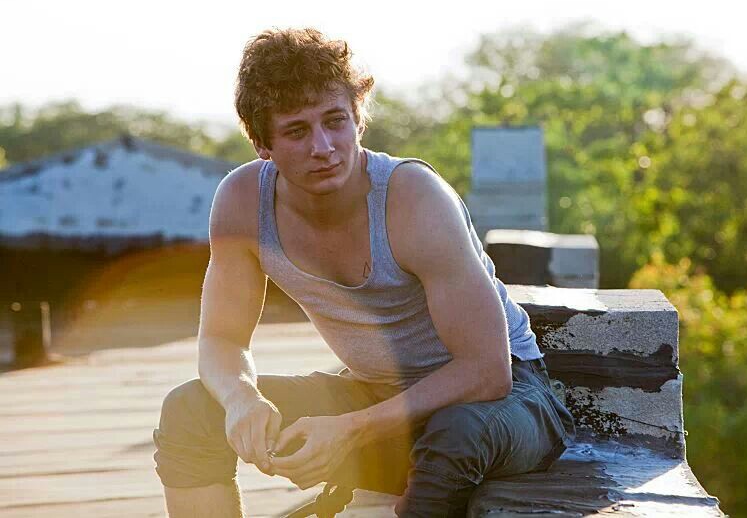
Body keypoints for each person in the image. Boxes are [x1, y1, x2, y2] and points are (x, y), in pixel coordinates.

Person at [153, 27, 575, 518]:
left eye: (335, 121)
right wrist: (242, 398)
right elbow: (221, 341)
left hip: (506, 406)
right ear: (262, 143)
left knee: (454, 437)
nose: (323, 146)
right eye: (296, 131)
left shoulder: (414, 198)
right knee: (191, 410)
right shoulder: (242, 202)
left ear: (358, 117)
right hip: (380, 401)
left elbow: (486, 372)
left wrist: (350, 430)